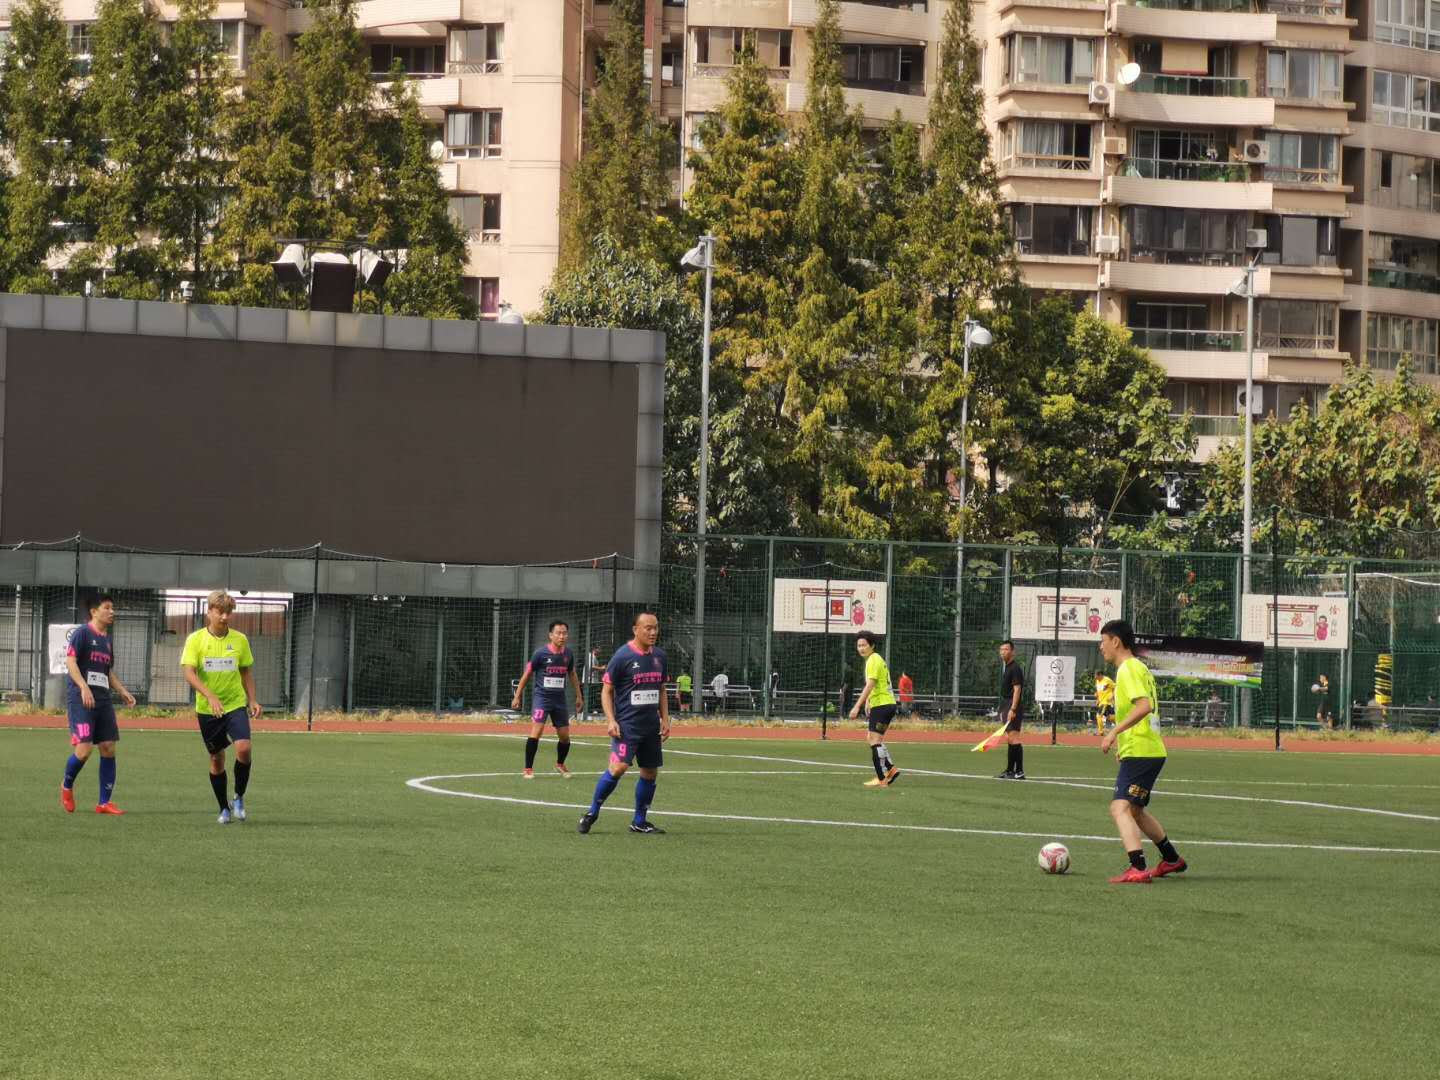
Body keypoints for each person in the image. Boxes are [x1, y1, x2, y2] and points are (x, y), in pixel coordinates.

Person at [1098, 619, 1186, 884]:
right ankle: (1171, 859)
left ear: (1115, 641)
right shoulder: (1139, 667)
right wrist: (1124, 744)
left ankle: (1137, 867)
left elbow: (1144, 706)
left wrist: (1113, 732)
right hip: (1144, 748)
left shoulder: (1128, 669)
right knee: (1135, 810)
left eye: (1103, 641)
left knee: (1119, 808)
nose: (1101, 647)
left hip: (1143, 750)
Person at [578, 612, 671, 835]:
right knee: (618, 768)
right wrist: (611, 720)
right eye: (648, 628)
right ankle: (591, 813)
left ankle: (639, 821)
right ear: (635, 629)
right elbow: (606, 691)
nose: (653, 632)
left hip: (651, 727)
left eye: (655, 627)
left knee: (649, 773)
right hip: (627, 726)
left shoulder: (660, 656)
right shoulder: (622, 656)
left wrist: (665, 719)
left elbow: (661, 689)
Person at [181, 590, 262, 824]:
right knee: (217, 758)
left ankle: (239, 796)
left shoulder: (240, 640)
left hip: (235, 704)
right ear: (209, 612)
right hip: (208, 709)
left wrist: (252, 700)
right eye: (220, 612)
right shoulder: (195, 640)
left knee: (244, 748)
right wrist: (210, 696)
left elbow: (246, 672)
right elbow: (189, 673)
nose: (225, 617)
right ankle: (223, 808)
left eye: (229, 612)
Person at [61, 594, 137, 815]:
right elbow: (70, 662)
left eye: (113, 608)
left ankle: (104, 803)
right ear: (94, 612)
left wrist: (122, 691)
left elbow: (107, 672)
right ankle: (66, 785)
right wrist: (83, 686)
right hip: (81, 699)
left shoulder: (107, 640)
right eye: (107, 608)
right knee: (84, 750)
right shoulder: (82, 633)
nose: (112, 612)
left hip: (102, 700)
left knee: (108, 747)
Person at [511, 619, 584, 779]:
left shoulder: (568, 654)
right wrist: (517, 695)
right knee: (537, 731)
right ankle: (528, 768)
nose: (562, 636)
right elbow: (527, 674)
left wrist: (579, 696)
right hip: (542, 699)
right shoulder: (540, 654)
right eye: (558, 633)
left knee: (564, 736)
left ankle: (560, 764)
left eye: (564, 633)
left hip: (560, 700)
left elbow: (572, 674)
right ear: (551, 635)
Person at [850, 631, 900, 788]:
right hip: (887, 704)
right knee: (872, 738)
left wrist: (857, 705)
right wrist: (868, 701)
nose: (861, 648)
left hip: (882, 705)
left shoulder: (872, 660)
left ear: (872, 645)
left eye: (864, 645)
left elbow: (870, 685)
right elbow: (877, 684)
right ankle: (891, 769)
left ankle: (882, 778)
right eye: (859, 645)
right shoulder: (876, 659)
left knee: (874, 740)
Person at [996, 640, 1026, 779]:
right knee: (1009, 738)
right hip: (1006, 704)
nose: (1003, 652)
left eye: (1006, 649)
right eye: (1001, 649)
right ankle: (1009, 770)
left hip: (1012, 705)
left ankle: (1019, 771)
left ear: (1013, 652)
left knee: (1014, 738)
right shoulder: (1007, 667)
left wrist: (1013, 709)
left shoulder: (1015, 668)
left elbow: (1017, 689)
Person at [1093, 671, 1116, 735]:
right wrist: (1097, 698)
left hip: (1106, 702)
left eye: (1096, 676)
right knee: (1111, 718)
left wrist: (1112, 696)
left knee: (1098, 715)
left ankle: (1100, 732)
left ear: (1100, 675)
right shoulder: (1097, 681)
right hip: (1102, 702)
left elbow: (1115, 687)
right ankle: (1123, 727)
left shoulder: (1107, 680)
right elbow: (1099, 691)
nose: (1095, 677)